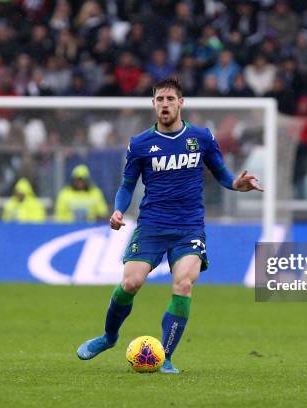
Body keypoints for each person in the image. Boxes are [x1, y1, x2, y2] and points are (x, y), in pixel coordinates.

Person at [76, 78, 263, 373]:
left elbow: (223, 175)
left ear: (180, 103)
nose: (164, 104)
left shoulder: (201, 137)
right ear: (153, 104)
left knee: (184, 283)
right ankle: (109, 337)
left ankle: (167, 357)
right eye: (159, 99)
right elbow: (127, 185)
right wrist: (118, 210)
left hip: (189, 227)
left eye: (169, 99)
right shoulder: (140, 144)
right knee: (130, 283)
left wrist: (237, 184)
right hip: (151, 225)